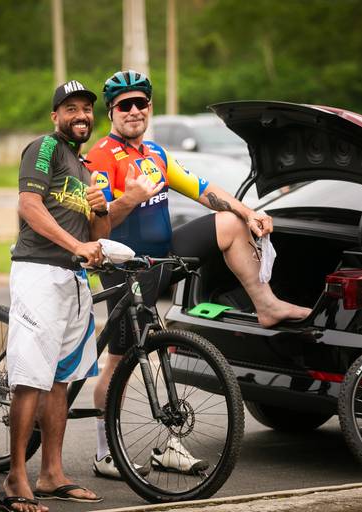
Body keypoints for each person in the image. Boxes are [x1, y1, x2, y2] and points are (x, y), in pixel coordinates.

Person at [85, 70, 312, 479]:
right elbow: (97, 226)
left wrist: (249, 211)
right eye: (124, 105)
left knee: (230, 222)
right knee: (119, 362)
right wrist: (130, 198)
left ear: (150, 107)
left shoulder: (155, 153)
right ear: (112, 112)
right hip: (124, 267)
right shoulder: (102, 155)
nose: (134, 111)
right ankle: (104, 453)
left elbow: (204, 189)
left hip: (162, 259)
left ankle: (266, 305)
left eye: (141, 103)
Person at [0, 80, 109, 512]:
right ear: (55, 116)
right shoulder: (45, 147)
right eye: (71, 108)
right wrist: (76, 245)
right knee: (31, 378)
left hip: (73, 280)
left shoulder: (84, 168)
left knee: (60, 381)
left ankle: (51, 474)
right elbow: (29, 204)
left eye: (86, 109)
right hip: (39, 273)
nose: (81, 115)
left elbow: (99, 234)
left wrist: (101, 208)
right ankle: (15, 477)